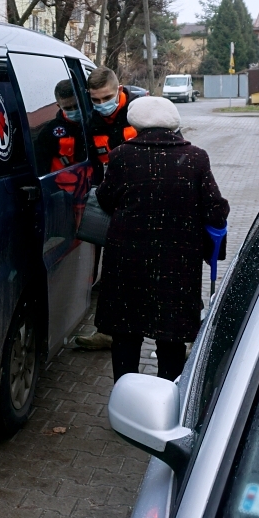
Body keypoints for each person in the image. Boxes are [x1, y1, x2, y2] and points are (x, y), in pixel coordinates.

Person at [93, 96, 229, 382]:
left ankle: (125, 398)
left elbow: (105, 198)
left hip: (127, 262)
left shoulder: (121, 156)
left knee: (126, 334)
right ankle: (168, 397)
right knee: (172, 335)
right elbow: (216, 209)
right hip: (177, 263)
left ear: (136, 124)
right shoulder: (196, 157)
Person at [75, 66, 146, 350]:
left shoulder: (140, 113)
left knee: (158, 271)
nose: (101, 104)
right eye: (95, 99)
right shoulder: (92, 121)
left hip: (144, 203)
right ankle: (107, 332)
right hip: (113, 202)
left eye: (106, 97)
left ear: (119, 90)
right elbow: (92, 161)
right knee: (113, 274)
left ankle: (181, 337)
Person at [32, 79, 86, 176]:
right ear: (58, 106)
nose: (74, 110)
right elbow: (41, 169)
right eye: (68, 108)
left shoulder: (94, 121)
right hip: (66, 186)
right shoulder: (48, 133)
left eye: (76, 105)